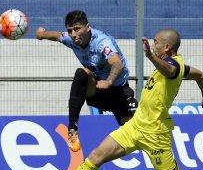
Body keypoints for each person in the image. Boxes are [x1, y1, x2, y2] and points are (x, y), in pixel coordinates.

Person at [33, 28, 203, 170]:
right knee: (95, 157)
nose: (153, 45)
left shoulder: (172, 66)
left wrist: (150, 56)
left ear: (167, 47)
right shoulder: (180, 66)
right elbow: (200, 75)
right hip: (136, 125)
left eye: (156, 42)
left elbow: (170, 71)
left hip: (155, 133)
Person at [36, 10, 137, 152]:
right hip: (96, 90)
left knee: (135, 136)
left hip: (117, 89)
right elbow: (58, 36)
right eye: (70, 30)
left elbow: (117, 64)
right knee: (82, 73)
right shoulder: (71, 40)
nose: (74, 35)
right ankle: (72, 129)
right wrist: (41, 34)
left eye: (77, 29)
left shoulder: (102, 42)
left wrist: (108, 81)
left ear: (87, 27)